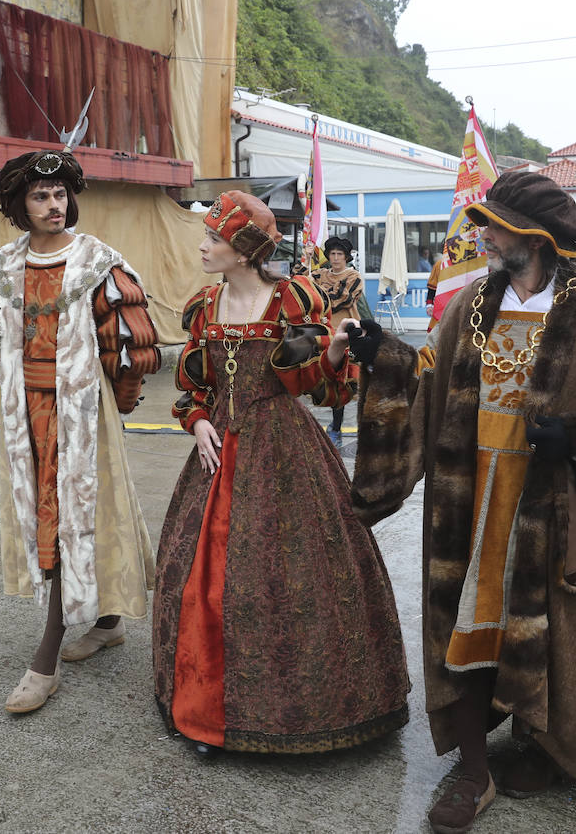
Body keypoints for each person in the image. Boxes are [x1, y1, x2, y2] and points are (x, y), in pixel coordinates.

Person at [346, 171, 576, 832]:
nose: (483, 235)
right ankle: (473, 770)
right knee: (464, 628)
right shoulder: (469, 304)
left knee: (549, 636)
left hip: (551, 512)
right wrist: (381, 354)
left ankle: (543, 744)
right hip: (469, 508)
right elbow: (426, 380)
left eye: (494, 225)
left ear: (531, 236)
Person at [153, 190, 409, 756]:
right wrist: (197, 423)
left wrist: (337, 352)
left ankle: (286, 714)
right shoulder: (202, 307)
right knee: (206, 575)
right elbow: (196, 387)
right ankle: (202, 706)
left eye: (213, 238)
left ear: (244, 251)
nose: (203, 246)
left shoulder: (291, 300)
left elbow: (317, 386)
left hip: (284, 447)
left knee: (284, 578)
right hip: (218, 448)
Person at [0, 149, 161, 713]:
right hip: (26, 412)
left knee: (71, 518)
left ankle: (45, 657)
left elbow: (131, 345)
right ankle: (110, 622)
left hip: (84, 414)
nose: (55, 205)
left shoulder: (98, 261)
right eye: (41, 196)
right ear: (21, 205)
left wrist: (115, 407)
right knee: (56, 515)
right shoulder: (0, 266)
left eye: (60, 194)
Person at [313, 234, 367, 443]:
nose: (335, 258)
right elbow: (298, 280)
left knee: (343, 381)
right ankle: (326, 427)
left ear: (346, 257)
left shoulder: (353, 277)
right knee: (321, 380)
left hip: (346, 335)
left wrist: (318, 294)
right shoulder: (319, 274)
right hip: (323, 334)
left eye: (339, 254)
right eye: (332, 254)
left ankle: (336, 427)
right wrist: (306, 258)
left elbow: (339, 300)